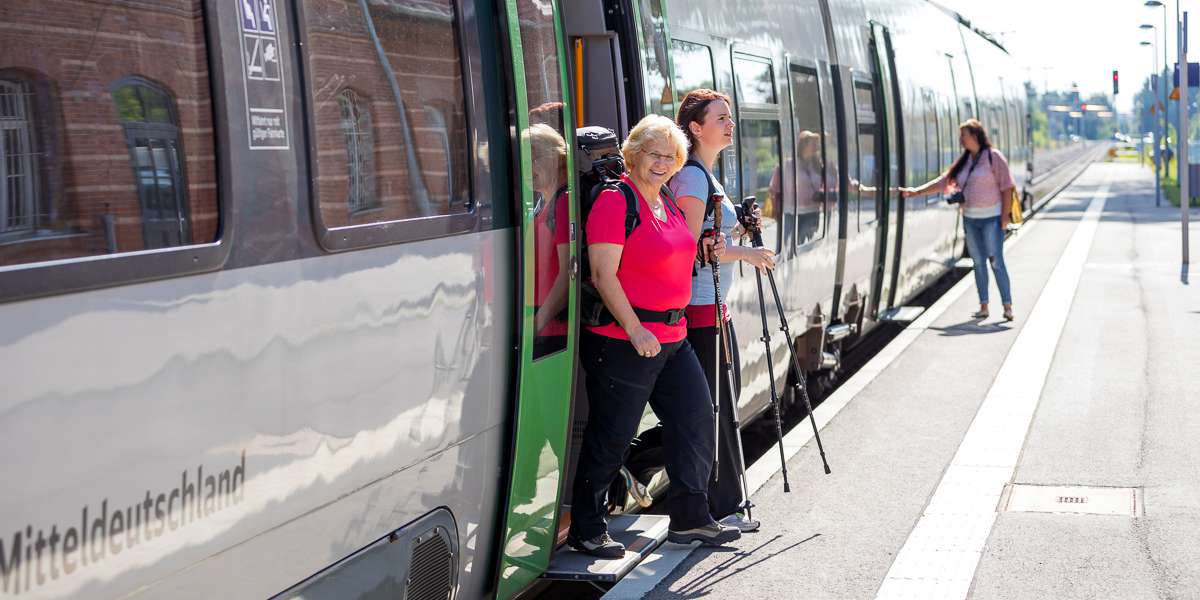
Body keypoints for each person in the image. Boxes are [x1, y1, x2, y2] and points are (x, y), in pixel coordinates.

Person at [569, 114, 740, 558]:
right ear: (633, 154)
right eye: (653, 153)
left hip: (673, 333)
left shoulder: (664, 198)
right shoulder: (614, 200)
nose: (662, 162)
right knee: (612, 435)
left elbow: (674, 253)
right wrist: (635, 328)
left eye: (670, 156)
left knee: (697, 419)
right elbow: (605, 276)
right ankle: (587, 529)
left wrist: (706, 249)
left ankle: (690, 518)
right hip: (627, 338)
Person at [671, 89, 775, 533]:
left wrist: (737, 233)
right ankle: (722, 507)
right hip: (699, 311)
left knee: (722, 407)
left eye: (730, 118)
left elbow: (708, 242)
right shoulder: (693, 179)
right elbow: (691, 248)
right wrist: (746, 254)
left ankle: (725, 504)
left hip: (713, 309)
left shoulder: (703, 176)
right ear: (695, 128)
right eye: (721, 118)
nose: (730, 124)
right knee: (716, 409)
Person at [901, 118, 1016, 321]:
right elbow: (943, 182)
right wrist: (915, 192)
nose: (960, 140)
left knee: (996, 261)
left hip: (992, 219)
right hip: (971, 219)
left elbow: (1007, 187)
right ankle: (984, 306)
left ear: (975, 136)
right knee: (978, 263)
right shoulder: (964, 162)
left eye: (963, 135)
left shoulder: (993, 157)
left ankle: (1007, 306)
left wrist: (1005, 217)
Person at [527, 123, 570, 357]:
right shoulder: (544, 202)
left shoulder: (563, 202)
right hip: (542, 324)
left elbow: (567, 275)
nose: (527, 169)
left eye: (534, 160)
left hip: (551, 330)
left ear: (556, 158)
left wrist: (533, 327)